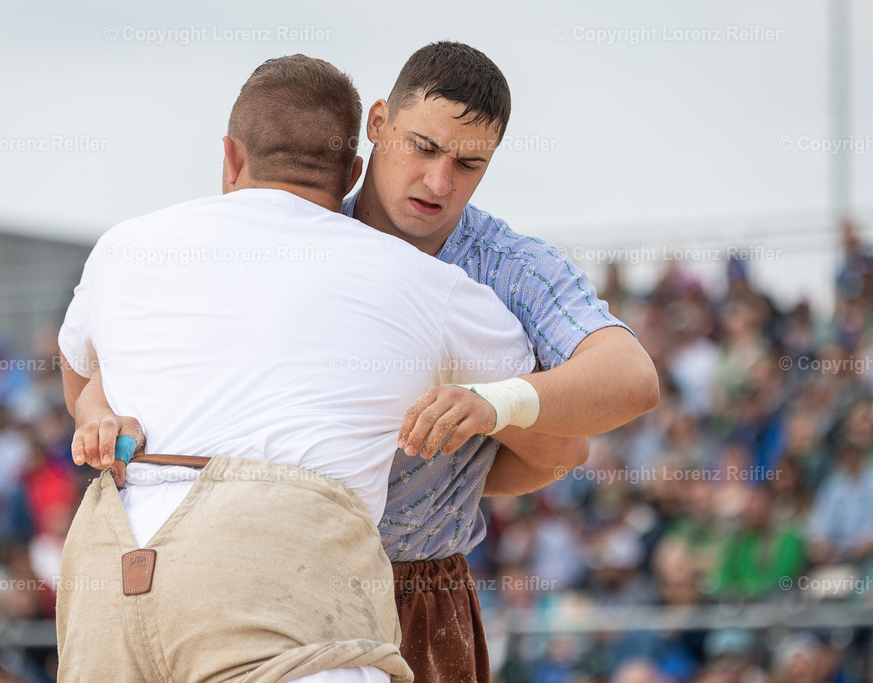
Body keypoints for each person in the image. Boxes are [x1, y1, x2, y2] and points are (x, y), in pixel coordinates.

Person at [75, 42, 657, 682]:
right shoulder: (296, 224)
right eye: (424, 147)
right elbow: (148, 358)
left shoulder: (508, 267)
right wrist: (100, 411)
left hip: (409, 583)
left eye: (469, 163)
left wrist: (494, 406)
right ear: (377, 126)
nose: (439, 182)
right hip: (263, 568)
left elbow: (622, 384)